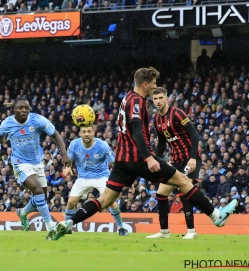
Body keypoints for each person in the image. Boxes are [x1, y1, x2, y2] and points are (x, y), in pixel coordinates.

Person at [48, 67, 237, 241]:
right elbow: (137, 131)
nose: (155, 87)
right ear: (145, 84)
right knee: (184, 182)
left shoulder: (126, 98)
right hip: (138, 158)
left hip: (122, 159)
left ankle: (67, 223)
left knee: (104, 200)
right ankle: (217, 216)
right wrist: (149, 157)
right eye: (154, 83)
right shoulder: (137, 102)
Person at [0, 97, 71, 235]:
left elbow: (56, 134)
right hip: (20, 163)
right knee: (38, 191)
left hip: (37, 162)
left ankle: (23, 213)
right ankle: (51, 226)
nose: (24, 110)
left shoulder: (37, 120)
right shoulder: (8, 123)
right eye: (20, 108)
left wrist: (64, 153)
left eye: (26, 108)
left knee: (41, 196)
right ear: (14, 109)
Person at [147, 87, 201, 240]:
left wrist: (192, 158)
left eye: (160, 98)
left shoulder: (177, 113)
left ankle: (191, 231)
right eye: (155, 99)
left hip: (189, 158)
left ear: (167, 99)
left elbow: (194, 135)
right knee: (161, 193)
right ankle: (164, 231)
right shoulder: (157, 119)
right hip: (175, 160)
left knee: (185, 192)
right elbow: (162, 144)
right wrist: (155, 160)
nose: (158, 101)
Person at [64, 125, 128, 236]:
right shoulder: (74, 144)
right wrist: (68, 167)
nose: (87, 134)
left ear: (93, 132)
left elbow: (113, 162)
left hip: (101, 176)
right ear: (80, 134)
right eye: (84, 132)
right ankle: (66, 227)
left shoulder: (102, 145)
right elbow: (68, 160)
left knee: (111, 202)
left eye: (89, 131)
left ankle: (121, 228)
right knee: (70, 202)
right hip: (83, 177)